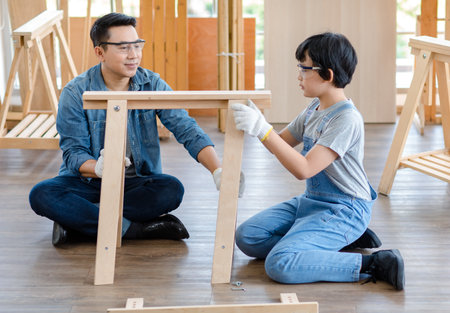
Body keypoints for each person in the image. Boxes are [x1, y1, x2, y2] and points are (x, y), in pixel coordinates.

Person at [29, 12, 241, 246]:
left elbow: (186, 129)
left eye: (137, 46)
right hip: (87, 182)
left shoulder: (153, 84)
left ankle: (81, 223)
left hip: (135, 184)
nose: (134, 55)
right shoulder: (75, 92)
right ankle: (135, 230)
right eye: (123, 48)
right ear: (100, 52)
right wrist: (100, 168)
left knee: (171, 189)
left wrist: (218, 170)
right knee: (42, 194)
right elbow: (73, 153)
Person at [231, 32, 404, 290]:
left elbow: (305, 168)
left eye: (304, 68)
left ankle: (374, 263)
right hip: (312, 202)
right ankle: (328, 242)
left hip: (344, 208)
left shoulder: (346, 119)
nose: (299, 75)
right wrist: (259, 124)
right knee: (248, 237)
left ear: (328, 75)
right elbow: (281, 143)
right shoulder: (314, 108)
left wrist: (262, 129)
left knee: (280, 263)